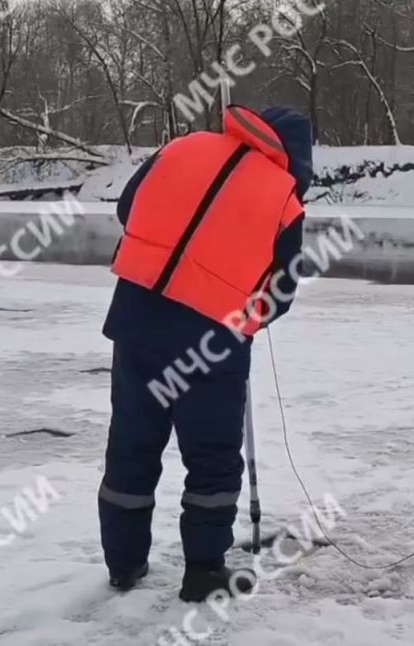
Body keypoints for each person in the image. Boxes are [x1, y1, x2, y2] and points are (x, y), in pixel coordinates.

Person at [97, 105, 313, 602]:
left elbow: (129, 208)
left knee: (131, 446)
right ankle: (204, 570)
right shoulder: (283, 199)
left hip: (138, 318)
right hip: (213, 343)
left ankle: (123, 565)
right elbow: (281, 292)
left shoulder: (183, 147)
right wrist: (244, 318)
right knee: (212, 457)